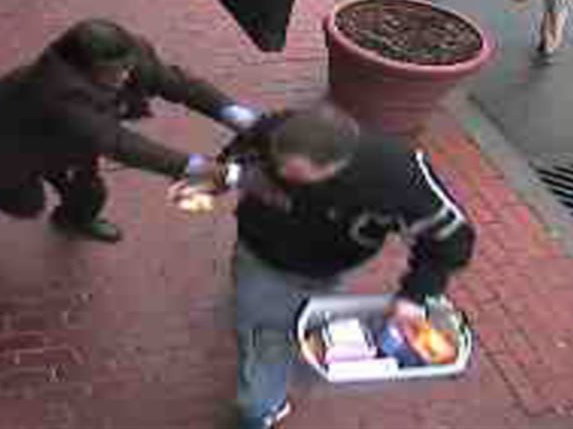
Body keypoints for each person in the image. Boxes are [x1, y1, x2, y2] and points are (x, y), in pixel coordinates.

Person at [182, 105, 475, 429]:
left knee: (289, 331)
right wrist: (215, 180)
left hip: (329, 269)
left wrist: (414, 296)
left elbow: (451, 240)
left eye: (293, 176)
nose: (278, 176)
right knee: (259, 330)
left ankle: (268, 389)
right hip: (259, 257)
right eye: (277, 166)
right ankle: (261, 406)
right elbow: (241, 153)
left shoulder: (395, 177)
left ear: (336, 166)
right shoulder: (281, 132)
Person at [0, 19, 259, 243]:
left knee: (89, 194)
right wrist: (214, 172)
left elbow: (177, 84)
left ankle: (72, 220)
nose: (124, 77)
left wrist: (241, 118)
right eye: (113, 72)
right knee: (26, 206)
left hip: (66, 143)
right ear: (81, 67)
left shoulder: (126, 56)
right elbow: (120, 144)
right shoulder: (57, 91)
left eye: (127, 67)